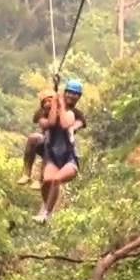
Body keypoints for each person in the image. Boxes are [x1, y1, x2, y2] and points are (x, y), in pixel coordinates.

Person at [35, 79, 85, 223]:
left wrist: (61, 104)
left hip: (69, 159)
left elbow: (65, 124)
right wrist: (55, 99)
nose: (72, 96)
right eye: (69, 92)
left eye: (75, 94)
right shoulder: (48, 113)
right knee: (47, 181)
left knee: (56, 179)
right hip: (52, 156)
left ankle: (46, 214)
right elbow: (49, 122)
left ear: (79, 97)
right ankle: (46, 206)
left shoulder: (73, 114)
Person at [21, 94, 54, 183]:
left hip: (58, 148)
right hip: (45, 144)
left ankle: (41, 179)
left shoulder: (61, 113)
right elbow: (38, 121)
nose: (47, 104)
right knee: (33, 138)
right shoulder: (42, 114)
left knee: (50, 140)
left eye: (50, 101)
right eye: (45, 102)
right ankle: (26, 173)